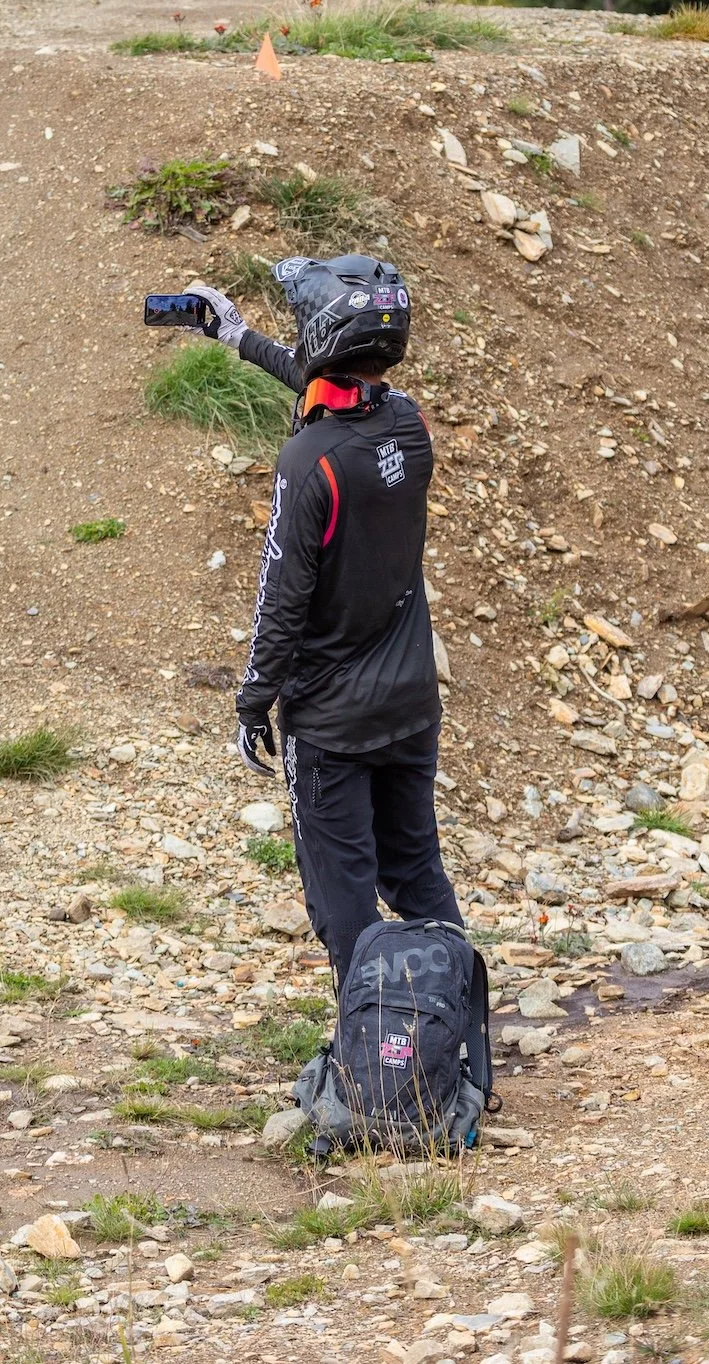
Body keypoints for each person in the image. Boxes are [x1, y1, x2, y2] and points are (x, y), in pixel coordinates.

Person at [191, 257, 462, 995]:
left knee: (343, 895)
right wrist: (239, 339)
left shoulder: (306, 463)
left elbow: (281, 601)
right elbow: (345, 394)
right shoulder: (409, 427)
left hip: (332, 724)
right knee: (417, 874)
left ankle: (373, 1048)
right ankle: (459, 1029)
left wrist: (252, 704)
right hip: (410, 707)